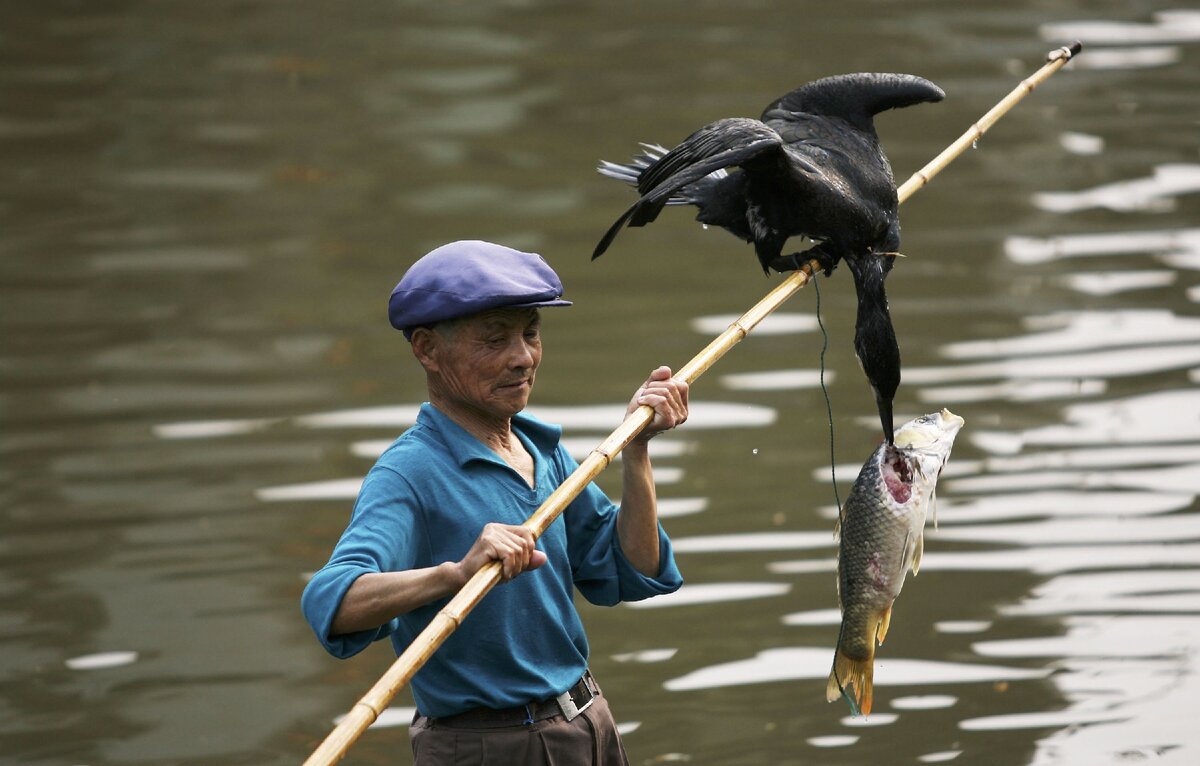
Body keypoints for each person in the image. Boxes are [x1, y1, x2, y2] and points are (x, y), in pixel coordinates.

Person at [301, 240, 689, 765]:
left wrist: (635, 450)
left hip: (588, 723)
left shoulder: (541, 450)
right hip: (489, 747)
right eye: (494, 340)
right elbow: (334, 602)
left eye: (530, 333)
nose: (523, 357)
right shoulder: (409, 472)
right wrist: (455, 575)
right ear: (426, 349)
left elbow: (634, 568)